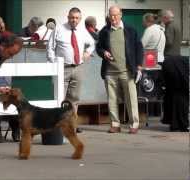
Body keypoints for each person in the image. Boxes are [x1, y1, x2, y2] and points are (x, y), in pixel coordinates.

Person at [47, 7, 95, 133]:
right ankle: (57, 126)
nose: (74, 20)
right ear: (68, 17)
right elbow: (50, 47)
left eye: (76, 18)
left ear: (80, 19)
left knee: (74, 98)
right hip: (62, 68)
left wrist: (87, 53)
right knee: (60, 97)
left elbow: (92, 44)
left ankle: (72, 125)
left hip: (78, 68)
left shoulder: (82, 31)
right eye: (72, 17)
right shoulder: (59, 29)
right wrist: (54, 64)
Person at [96, 5, 143, 134]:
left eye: (116, 15)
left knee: (131, 99)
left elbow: (139, 48)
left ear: (121, 15)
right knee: (112, 100)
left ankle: (134, 124)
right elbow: (98, 47)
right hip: (110, 72)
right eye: (111, 15)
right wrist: (103, 52)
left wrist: (139, 65)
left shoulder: (131, 30)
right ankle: (115, 124)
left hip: (127, 71)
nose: (113, 18)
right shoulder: (104, 31)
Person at [0, 77, 20, 143]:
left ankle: (16, 127)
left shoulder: (7, 69)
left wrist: (8, 88)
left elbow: (10, 83)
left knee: (16, 99)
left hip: (7, 91)